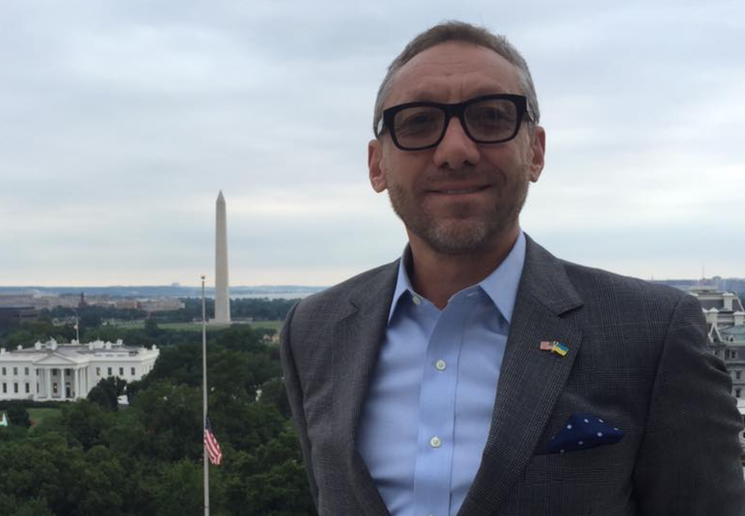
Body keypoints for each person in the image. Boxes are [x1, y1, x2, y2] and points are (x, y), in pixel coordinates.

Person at [280, 20, 745, 516]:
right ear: (377, 165)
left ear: (536, 152)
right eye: (417, 122)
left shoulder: (653, 332)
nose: (455, 151)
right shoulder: (314, 330)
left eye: (491, 116)